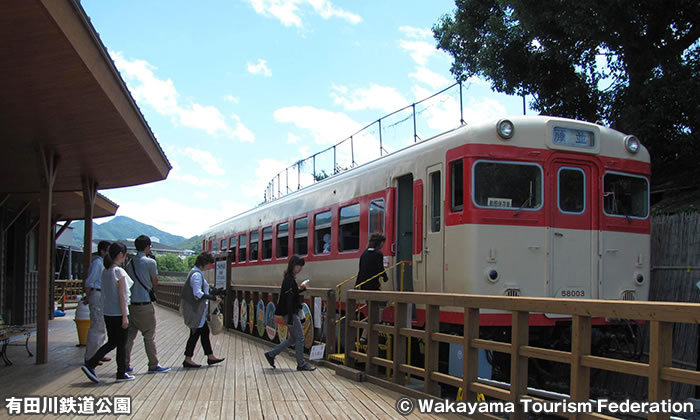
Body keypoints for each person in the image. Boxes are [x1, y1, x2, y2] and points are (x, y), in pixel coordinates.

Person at [80, 242, 134, 383]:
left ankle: (92, 363)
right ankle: (120, 373)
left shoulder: (106, 271)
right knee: (121, 343)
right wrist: (124, 316)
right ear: (121, 254)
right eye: (125, 254)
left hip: (108, 313)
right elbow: (122, 295)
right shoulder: (119, 272)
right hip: (118, 313)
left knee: (113, 342)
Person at [124, 235, 169, 373]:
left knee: (129, 337)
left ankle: (124, 364)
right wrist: (154, 291)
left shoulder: (128, 263)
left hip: (131, 304)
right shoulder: (150, 263)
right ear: (147, 247)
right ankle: (153, 364)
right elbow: (155, 281)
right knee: (149, 336)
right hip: (144, 304)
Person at [264, 256, 316, 371]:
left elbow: (291, 295)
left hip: (288, 313)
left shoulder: (288, 279)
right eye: (299, 266)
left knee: (293, 338)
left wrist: (300, 290)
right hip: (290, 313)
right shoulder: (290, 280)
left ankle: (271, 354)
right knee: (300, 337)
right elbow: (288, 300)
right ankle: (301, 364)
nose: (301, 268)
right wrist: (291, 319)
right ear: (294, 265)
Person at [180, 252, 225, 368]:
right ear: (204, 263)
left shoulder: (196, 272)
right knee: (195, 334)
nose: (210, 267)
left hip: (198, 310)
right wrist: (213, 297)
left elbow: (203, 288)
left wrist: (214, 291)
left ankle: (210, 356)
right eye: (209, 264)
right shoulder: (196, 275)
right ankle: (188, 358)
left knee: (204, 332)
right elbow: (197, 293)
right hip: (195, 310)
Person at [355, 233, 388, 344]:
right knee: (379, 307)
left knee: (372, 311)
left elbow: (360, 270)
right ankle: (375, 327)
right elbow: (380, 268)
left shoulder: (364, 254)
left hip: (364, 286)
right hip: (373, 286)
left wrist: (357, 285)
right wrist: (385, 277)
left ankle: (364, 336)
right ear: (380, 243)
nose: (384, 244)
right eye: (383, 242)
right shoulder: (378, 254)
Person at [84, 240, 110, 365]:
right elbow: (89, 282)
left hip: (101, 295)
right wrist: (88, 296)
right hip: (97, 294)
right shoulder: (97, 263)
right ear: (102, 251)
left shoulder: (102, 264)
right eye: (108, 251)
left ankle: (98, 354)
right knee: (96, 326)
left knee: (101, 326)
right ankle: (90, 357)